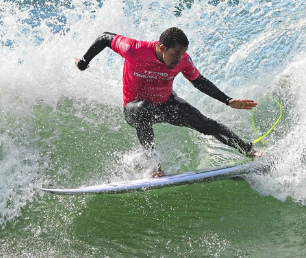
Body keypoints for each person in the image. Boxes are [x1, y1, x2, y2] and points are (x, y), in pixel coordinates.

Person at [74, 27, 259, 176]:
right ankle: (155, 167)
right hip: (134, 108)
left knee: (206, 125)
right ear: (162, 48)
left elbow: (199, 81)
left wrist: (228, 100)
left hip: (166, 104)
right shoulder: (134, 49)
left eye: (182, 53)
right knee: (143, 109)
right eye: (176, 53)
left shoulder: (184, 60)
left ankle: (249, 151)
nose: (179, 58)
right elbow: (105, 38)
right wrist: (83, 62)